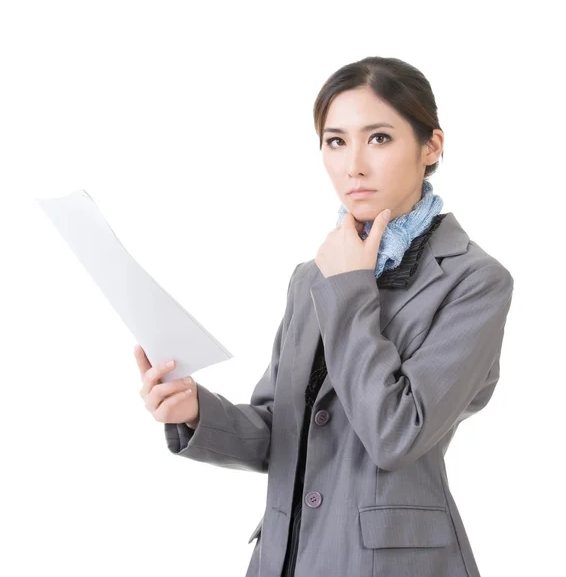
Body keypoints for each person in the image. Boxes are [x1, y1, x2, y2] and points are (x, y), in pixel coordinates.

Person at [135, 56, 514, 577]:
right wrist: (196, 410)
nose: (352, 165)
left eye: (378, 138)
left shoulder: (474, 280)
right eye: (335, 141)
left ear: (431, 146)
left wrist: (351, 289)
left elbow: (396, 434)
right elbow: (281, 430)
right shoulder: (312, 276)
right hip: (287, 556)